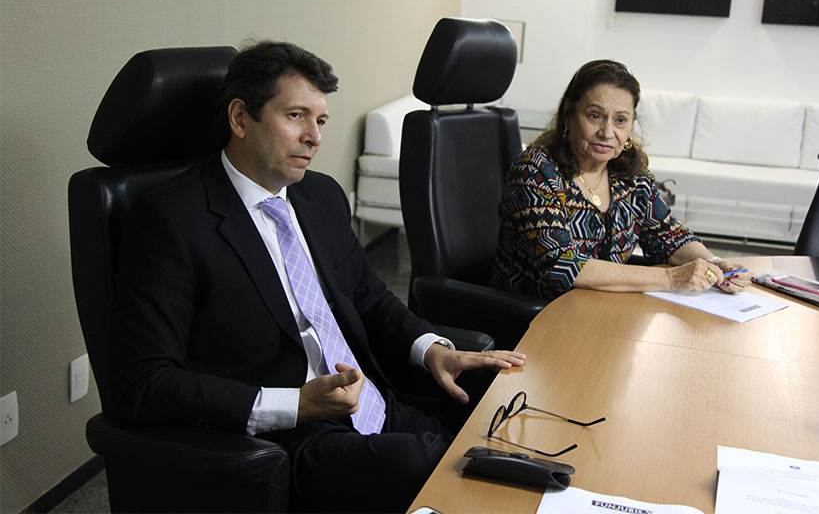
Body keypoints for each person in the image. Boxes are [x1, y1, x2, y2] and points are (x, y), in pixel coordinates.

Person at [111, 40, 525, 512]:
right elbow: (142, 382)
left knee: (496, 429)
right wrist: (295, 404)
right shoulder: (171, 219)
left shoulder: (320, 196)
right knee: (449, 471)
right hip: (285, 440)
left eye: (321, 120)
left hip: (371, 403)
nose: (315, 137)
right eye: (296, 116)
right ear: (241, 118)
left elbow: (370, 299)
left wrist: (432, 350)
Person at [491, 59, 750, 300]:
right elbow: (563, 266)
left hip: (606, 309)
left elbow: (667, 235)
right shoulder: (536, 171)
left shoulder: (630, 174)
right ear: (569, 115)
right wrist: (670, 278)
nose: (607, 132)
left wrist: (714, 264)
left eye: (620, 120)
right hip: (539, 317)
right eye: (595, 116)